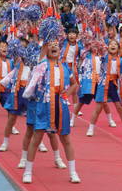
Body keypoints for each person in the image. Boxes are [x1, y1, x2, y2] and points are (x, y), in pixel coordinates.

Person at [22, 39, 80, 184]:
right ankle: (28, 171)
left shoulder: (65, 67)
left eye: (56, 45)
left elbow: (75, 84)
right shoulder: (41, 66)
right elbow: (32, 85)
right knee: (37, 137)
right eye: (50, 45)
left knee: (65, 138)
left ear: (60, 50)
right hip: (44, 105)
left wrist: (66, 93)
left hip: (61, 105)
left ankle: (73, 172)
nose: (54, 47)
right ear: (46, 50)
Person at [86, 39, 122, 137]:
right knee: (98, 108)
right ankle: (91, 128)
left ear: (118, 48)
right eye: (111, 44)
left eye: (115, 44)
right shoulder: (104, 57)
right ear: (107, 47)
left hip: (114, 85)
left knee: (119, 108)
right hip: (103, 84)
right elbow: (99, 50)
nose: (113, 46)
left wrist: (121, 78)